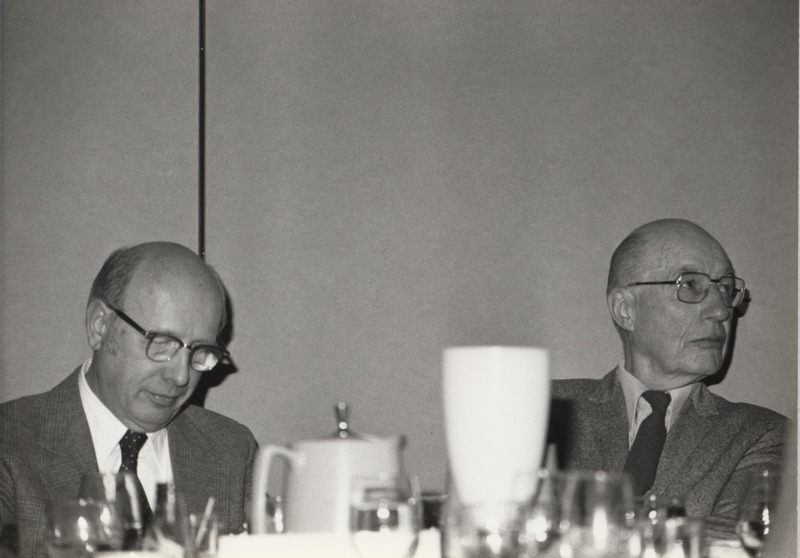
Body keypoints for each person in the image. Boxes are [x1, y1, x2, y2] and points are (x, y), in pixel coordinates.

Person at [0, 242, 258, 557]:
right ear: (100, 326)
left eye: (200, 352)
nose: (180, 376)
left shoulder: (231, 451)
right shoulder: (10, 444)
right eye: (162, 343)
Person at [549, 218, 787, 540]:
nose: (721, 310)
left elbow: (735, 546)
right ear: (625, 310)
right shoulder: (545, 411)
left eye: (726, 289)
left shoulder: (766, 434)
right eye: (690, 285)